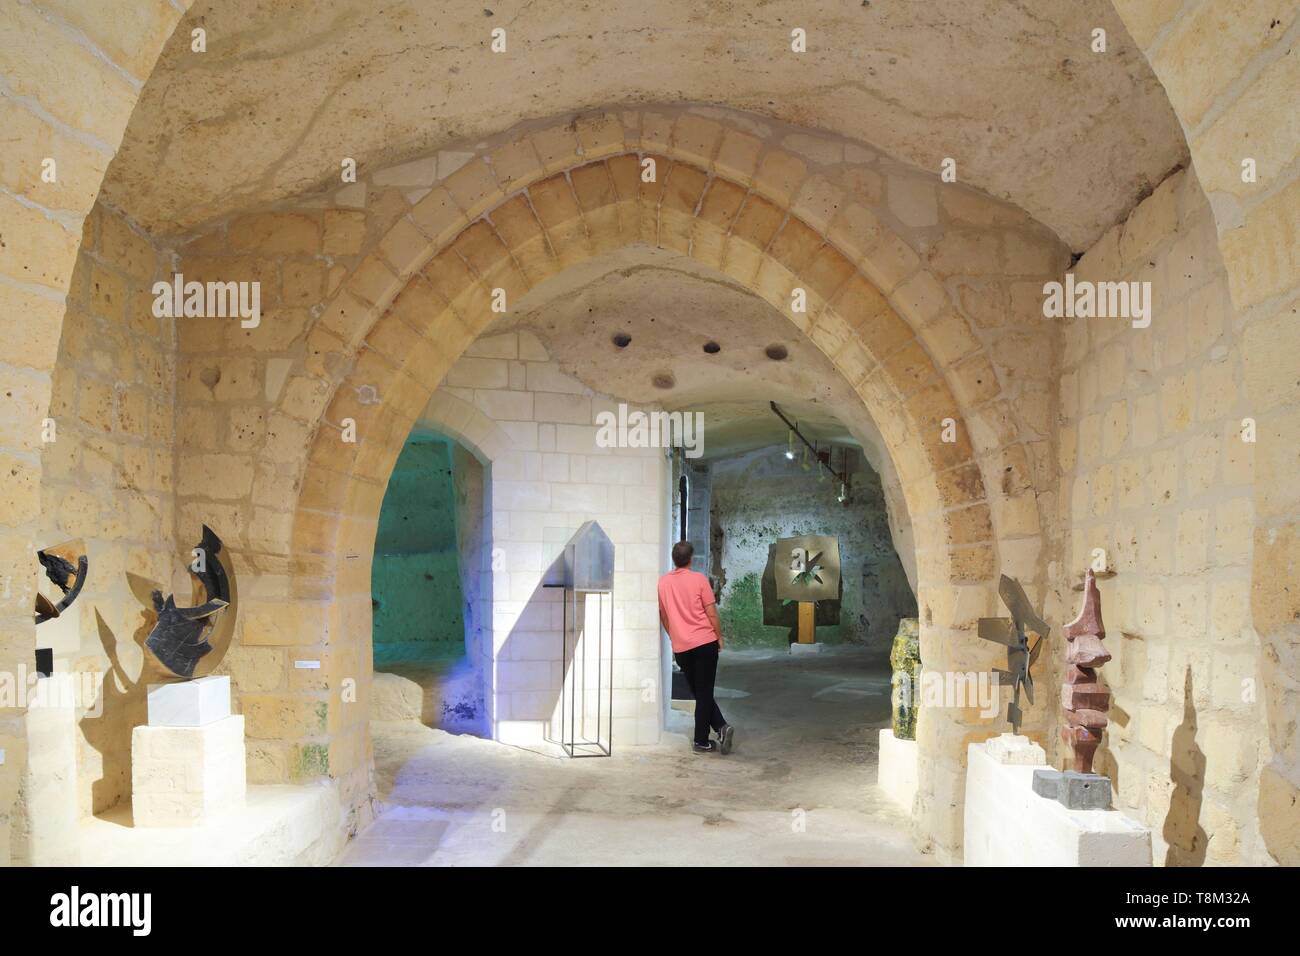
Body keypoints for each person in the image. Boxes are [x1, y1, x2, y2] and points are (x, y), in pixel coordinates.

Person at [658, 541, 734, 754]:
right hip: (704, 643)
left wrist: (675, 636)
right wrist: (718, 637)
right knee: (704, 692)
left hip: (682, 647)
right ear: (691, 559)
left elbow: (664, 616)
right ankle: (702, 740)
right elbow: (711, 613)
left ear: (674, 559)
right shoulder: (699, 580)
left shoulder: (663, 583)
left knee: (700, 693)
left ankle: (721, 727)